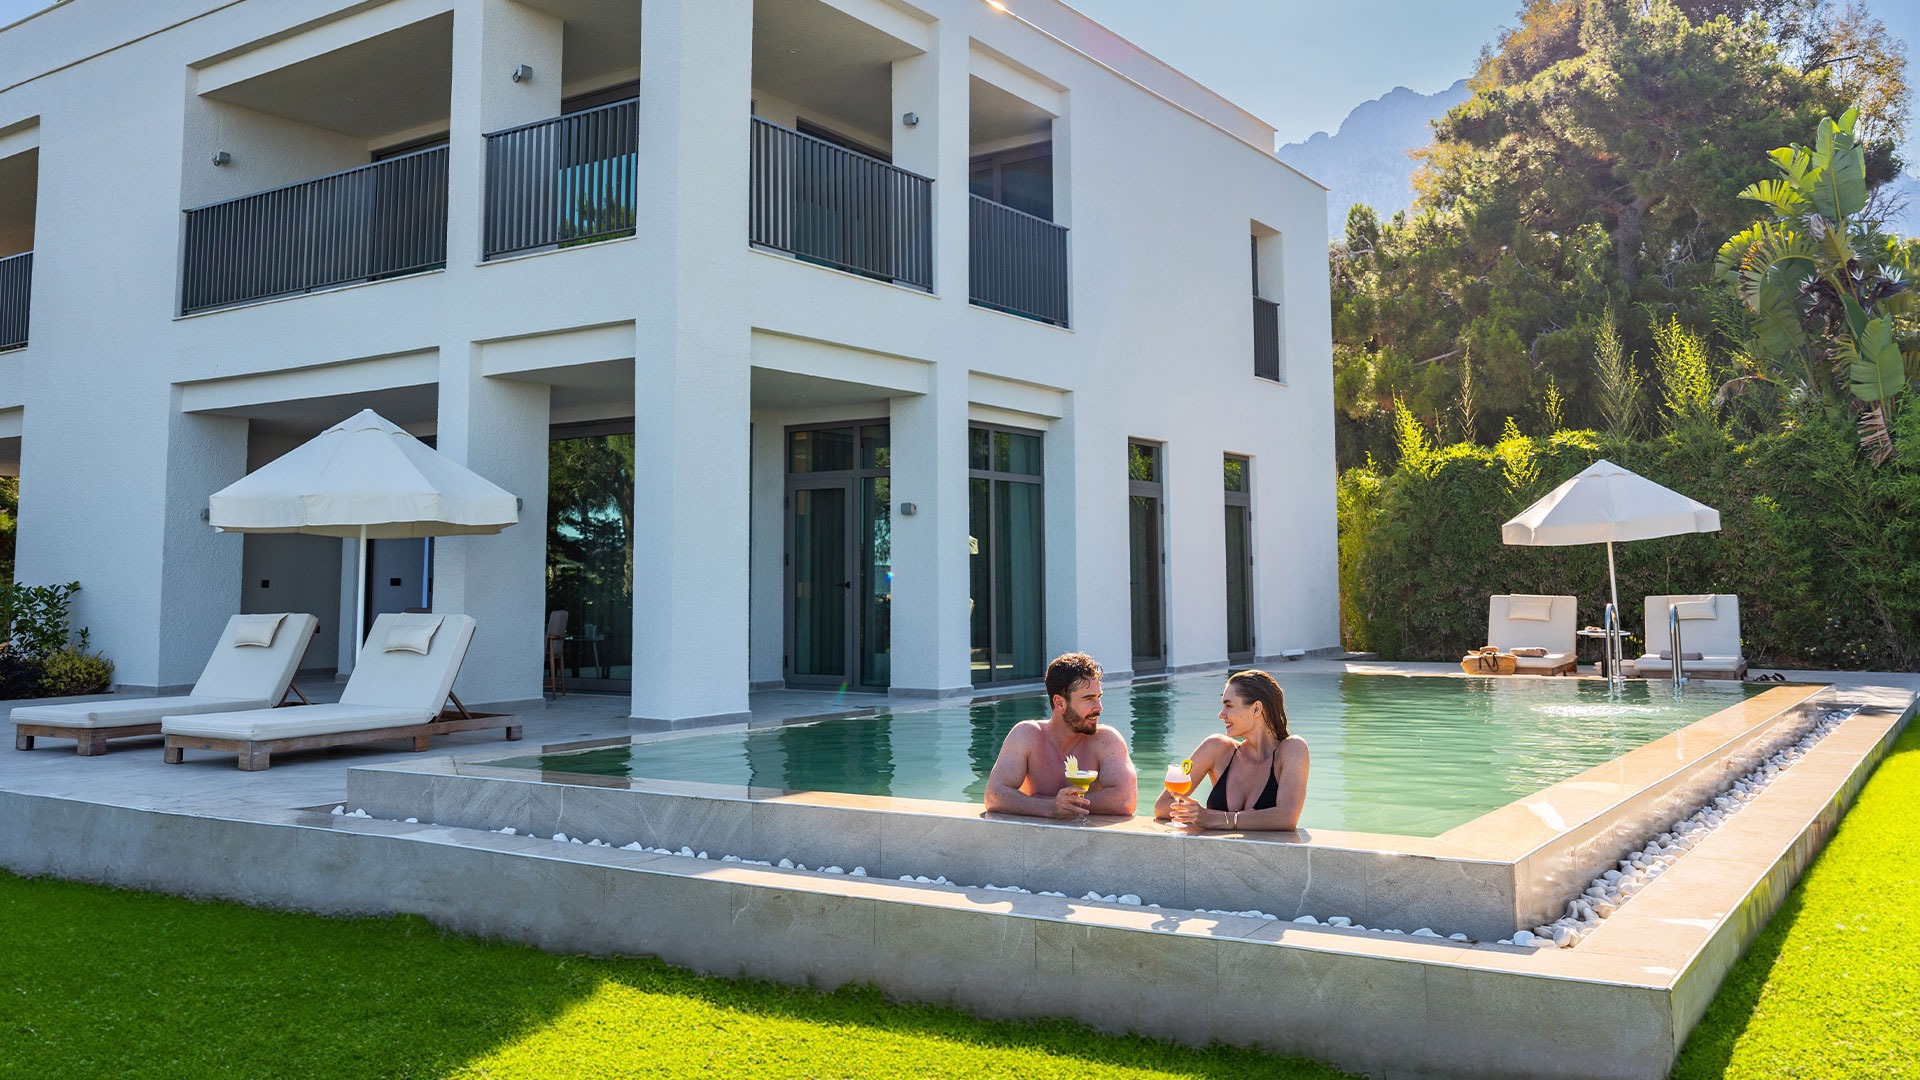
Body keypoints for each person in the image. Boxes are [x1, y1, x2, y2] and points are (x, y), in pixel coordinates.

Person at [984, 652, 1139, 820]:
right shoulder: (1026, 735)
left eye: (1099, 697)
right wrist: (1049, 807)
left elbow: (1126, 800)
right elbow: (993, 796)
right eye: (1088, 699)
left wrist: (1064, 804)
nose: (1099, 707)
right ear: (1059, 702)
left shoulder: (1106, 740)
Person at [1156, 669, 1308, 831]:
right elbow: (1162, 806)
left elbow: (1287, 817)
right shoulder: (1216, 748)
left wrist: (1214, 818)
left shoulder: (1292, 750)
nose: (1221, 714)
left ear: (1256, 709)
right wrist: (1199, 815)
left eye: (1228, 706)